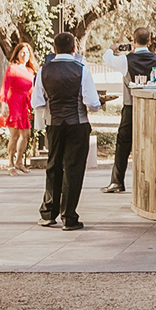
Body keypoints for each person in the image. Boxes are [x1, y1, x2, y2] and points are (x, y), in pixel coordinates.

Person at [32, 32, 101, 230]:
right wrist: (96, 107)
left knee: (53, 165)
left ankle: (48, 213)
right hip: (77, 123)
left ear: (54, 49)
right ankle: (69, 217)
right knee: (73, 168)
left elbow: (37, 102)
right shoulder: (81, 70)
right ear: (74, 49)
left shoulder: (44, 70)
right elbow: (91, 102)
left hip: (53, 123)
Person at [100, 27, 156, 194]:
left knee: (123, 143)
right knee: (151, 143)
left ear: (133, 42)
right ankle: (151, 181)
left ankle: (117, 182)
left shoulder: (125, 60)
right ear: (149, 41)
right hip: (151, 107)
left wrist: (113, 48)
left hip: (130, 106)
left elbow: (106, 58)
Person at [0, 43, 38, 175]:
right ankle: (10, 164)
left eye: (26, 53)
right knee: (14, 135)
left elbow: (32, 90)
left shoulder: (30, 71)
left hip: (24, 105)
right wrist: (4, 105)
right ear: (17, 54)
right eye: (22, 52)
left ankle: (19, 162)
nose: (24, 55)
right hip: (13, 102)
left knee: (26, 135)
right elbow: (5, 86)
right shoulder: (12, 69)